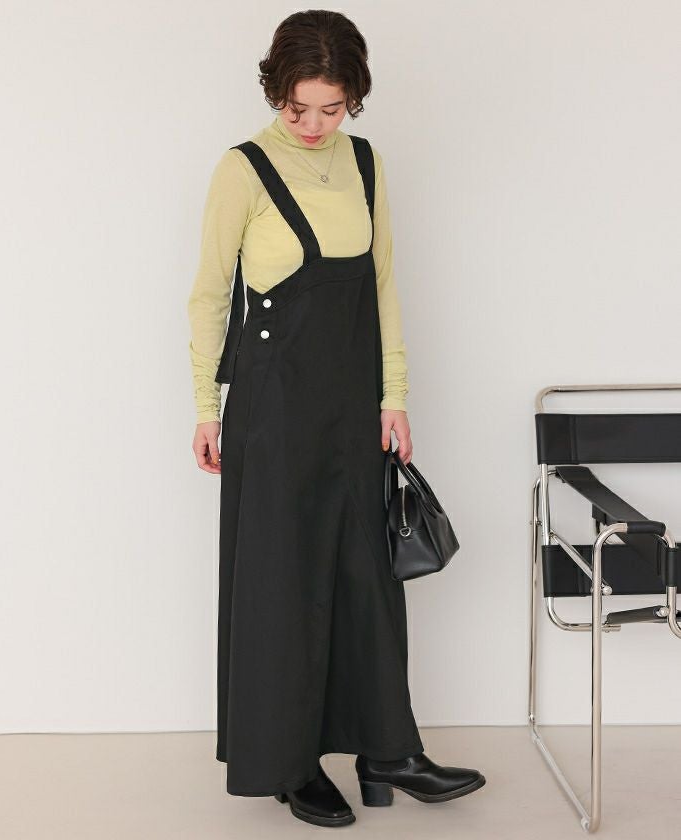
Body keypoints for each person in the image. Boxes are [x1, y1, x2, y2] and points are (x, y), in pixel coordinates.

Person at [187, 9, 486, 828]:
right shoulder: (243, 170)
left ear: (354, 96)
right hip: (273, 407)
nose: (315, 124)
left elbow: (382, 285)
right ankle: (291, 764)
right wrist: (206, 409)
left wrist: (395, 397)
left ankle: (389, 751)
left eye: (333, 106)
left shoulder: (366, 163)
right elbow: (209, 296)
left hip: (354, 400)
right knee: (284, 580)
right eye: (299, 108)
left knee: (366, 575)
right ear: (274, 93)